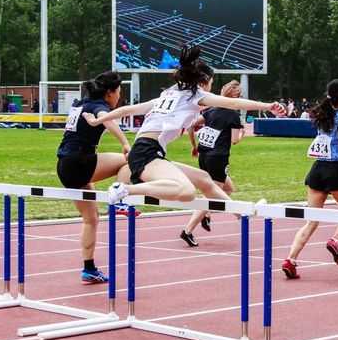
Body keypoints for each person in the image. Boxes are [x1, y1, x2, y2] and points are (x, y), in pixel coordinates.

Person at [81, 45, 285, 218]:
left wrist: (98, 119)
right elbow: (233, 102)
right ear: (203, 83)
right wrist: (268, 106)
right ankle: (124, 190)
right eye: (211, 84)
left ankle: (241, 214)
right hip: (146, 153)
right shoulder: (196, 96)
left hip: (148, 151)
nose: (211, 88)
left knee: (204, 178)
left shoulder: (168, 94)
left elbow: (129, 109)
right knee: (186, 191)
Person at [56, 71, 135, 283]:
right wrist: (125, 143)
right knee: (129, 160)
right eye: (118, 91)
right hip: (79, 161)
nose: (119, 96)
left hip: (64, 166)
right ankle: (121, 201)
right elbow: (105, 120)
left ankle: (88, 268)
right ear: (109, 92)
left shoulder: (82, 103)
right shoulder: (99, 107)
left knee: (91, 219)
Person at [281, 79, 338, 279]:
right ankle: (335, 240)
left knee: (311, 220)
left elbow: (332, 138)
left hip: (317, 169)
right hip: (335, 170)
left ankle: (290, 260)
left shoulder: (324, 113)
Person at [178, 80, 246, 246]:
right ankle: (188, 230)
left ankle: (207, 215)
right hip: (218, 158)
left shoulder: (211, 110)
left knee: (228, 189)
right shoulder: (233, 115)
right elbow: (235, 140)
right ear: (235, 96)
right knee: (211, 194)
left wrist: (194, 147)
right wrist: (242, 132)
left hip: (204, 156)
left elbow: (191, 127)